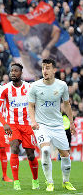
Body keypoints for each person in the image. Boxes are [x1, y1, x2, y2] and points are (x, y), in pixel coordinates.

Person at [28, 58, 76, 191]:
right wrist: (33, 121)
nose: (45, 71)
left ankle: (65, 181)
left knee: (65, 155)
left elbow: (67, 104)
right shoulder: (35, 86)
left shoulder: (62, 86)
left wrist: (71, 123)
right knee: (45, 150)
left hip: (58, 125)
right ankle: (50, 182)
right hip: (41, 125)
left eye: (48, 68)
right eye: (43, 68)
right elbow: (30, 106)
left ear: (54, 70)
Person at [0, 63, 39, 191]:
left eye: (16, 71)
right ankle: (16, 182)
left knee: (30, 154)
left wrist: (36, 121)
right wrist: (5, 123)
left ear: (21, 73)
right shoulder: (5, 89)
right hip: (12, 124)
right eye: (11, 71)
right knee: (14, 148)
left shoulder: (29, 88)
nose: (13, 73)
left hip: (27, 125)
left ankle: (35, 180)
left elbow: (37, 105)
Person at [6, 15, 72, 76]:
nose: (15, 24)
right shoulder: (16, 38)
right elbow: (23, 54)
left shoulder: (40, 27)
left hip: (58, 62)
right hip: (40, 70)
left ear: (23, 20)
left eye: (16, 21)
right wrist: (29, 70)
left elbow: (57, 31)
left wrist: (47, 48)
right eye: (12, 23)